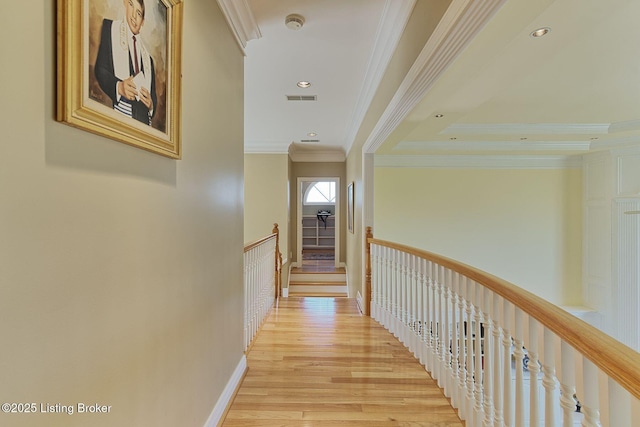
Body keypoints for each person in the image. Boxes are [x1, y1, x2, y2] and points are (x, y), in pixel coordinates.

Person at [94, 0, 157, 125]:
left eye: (139, 13)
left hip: (144, 124)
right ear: (125, 3)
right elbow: (100, 69)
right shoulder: (110, 30)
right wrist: (119, 87)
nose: (134, 16)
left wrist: (151, 104)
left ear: (143, 22)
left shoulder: (148, 59)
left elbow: (153, 95)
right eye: (131, 5)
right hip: (123, 116)